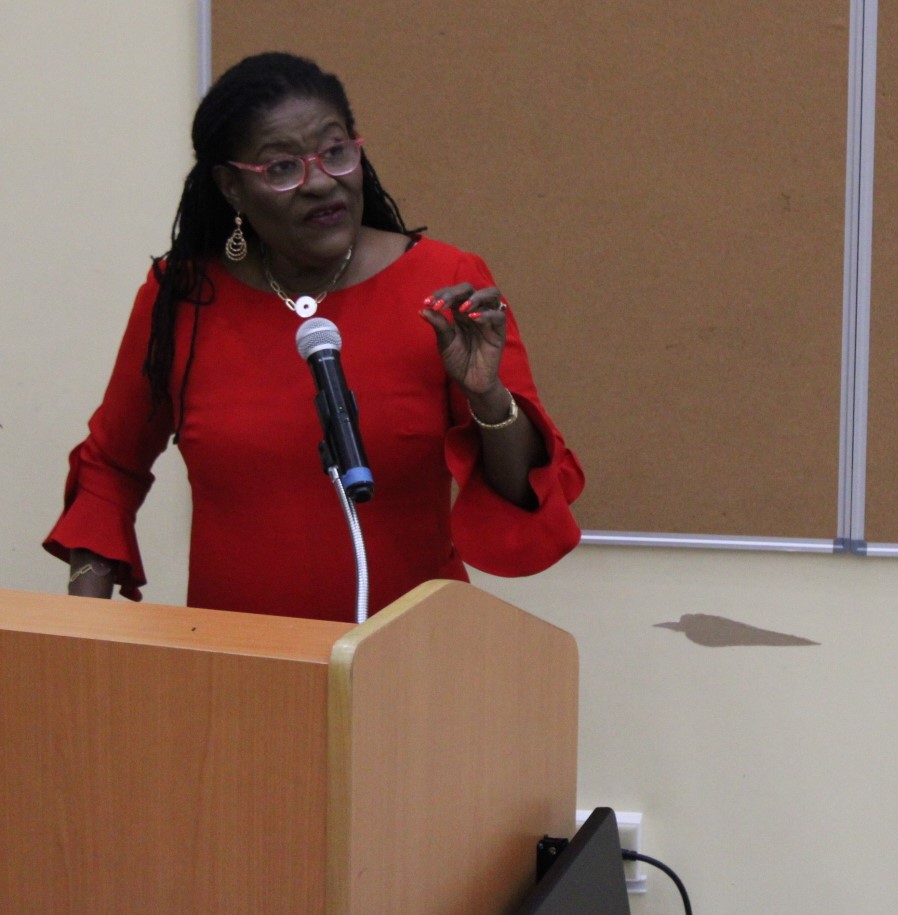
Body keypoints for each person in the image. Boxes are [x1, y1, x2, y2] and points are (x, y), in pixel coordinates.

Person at [44, 52, 584, 622]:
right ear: (231, 187)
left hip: (408, 670)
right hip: (234, 673)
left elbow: (522, 495)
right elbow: (110, 470)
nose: (321, 182)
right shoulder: (181, 299)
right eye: (282, 167)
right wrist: (86, 636)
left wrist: (487, 398)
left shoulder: (444, 284)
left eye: (335, 151)